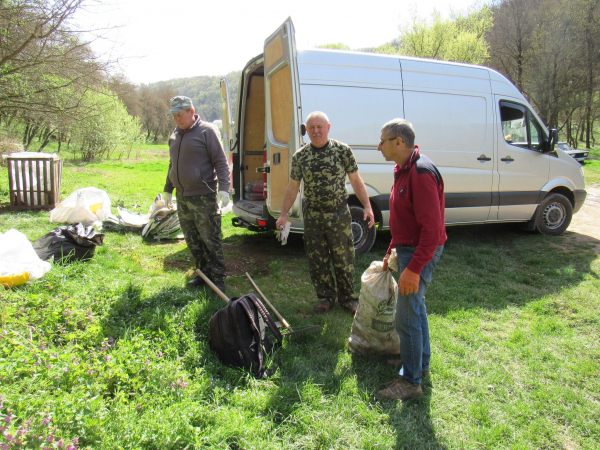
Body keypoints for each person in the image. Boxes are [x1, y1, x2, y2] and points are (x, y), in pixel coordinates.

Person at [275, 111, 375, 314]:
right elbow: (293, 187)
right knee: (317, 260)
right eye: (311, 128)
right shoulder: (300, 157)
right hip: (313, 216)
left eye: (319, 127)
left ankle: (348, 299)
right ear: (306, 130)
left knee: (344, 259)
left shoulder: (342, 151)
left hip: (339, 214)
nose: (316, 131)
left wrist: (367, 206)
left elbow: (356, 180)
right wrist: (283, 214)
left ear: (328, 128)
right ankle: (326, 298)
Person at [377, 118, 446, 401]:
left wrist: (414, 269)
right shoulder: (402, 169)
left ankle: (411, 381)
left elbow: (432, 230)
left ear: (399, 142)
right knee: (415, 311)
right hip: (407, 249)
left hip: (419, 252)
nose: (378, 146)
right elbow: (404, 217)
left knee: (406, 318)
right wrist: (392, 247)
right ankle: (420, 363)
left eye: (382, 141)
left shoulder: (420, 172)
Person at [163, 96, 230, 292]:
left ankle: (218, 278)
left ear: (191, 112)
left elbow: (220, 161)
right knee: (192, 239)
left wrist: (224, 188)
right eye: (173, 115)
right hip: (183, 198)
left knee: (210, 239)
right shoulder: (175, 134)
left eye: (179, 114)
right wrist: (168, 188)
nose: (176, 118)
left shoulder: (206, 131)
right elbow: (172, 164)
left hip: (203, 197)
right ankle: (203, 273)